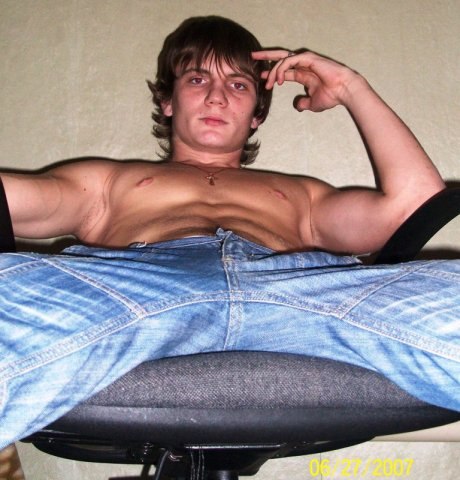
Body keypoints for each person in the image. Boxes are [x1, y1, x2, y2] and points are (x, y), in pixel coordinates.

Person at [0, 15, 458, 449]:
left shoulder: (302, 195)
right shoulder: (105, 180)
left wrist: (350, 87)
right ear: (168, 101)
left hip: (299, 287)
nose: (217, 97)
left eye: (238, 85)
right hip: (136, 284)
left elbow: (415, 205)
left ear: (257, 114)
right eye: (198, 80)